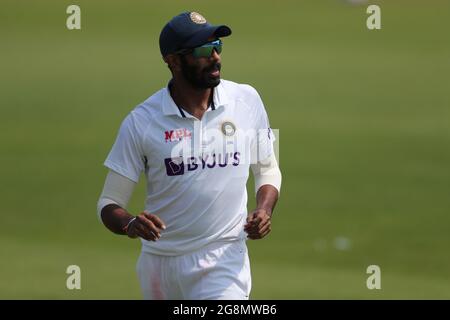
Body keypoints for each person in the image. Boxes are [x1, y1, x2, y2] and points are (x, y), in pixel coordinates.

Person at [97, 11, 282, 300]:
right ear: (173, 60)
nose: (216, 57)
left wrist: (264, 209)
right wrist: (131, 224)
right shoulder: (142, 121)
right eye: (203, 51)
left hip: (224, 257)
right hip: (160, 265)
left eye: (217, 46)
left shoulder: (246, 100)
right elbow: (108, 204)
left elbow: (268, 169)